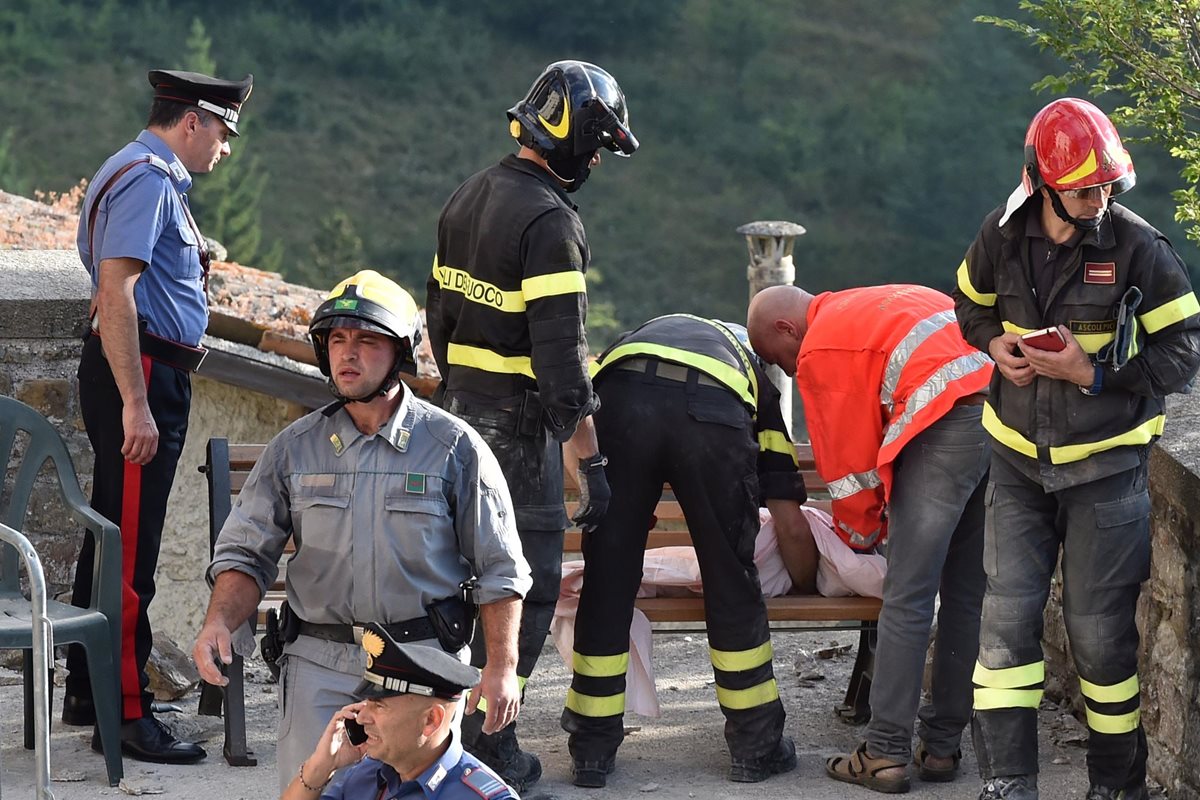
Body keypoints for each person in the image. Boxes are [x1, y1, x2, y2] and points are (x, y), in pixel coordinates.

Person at [193, 270, 532, 792]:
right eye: (337, 340)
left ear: (399, 353)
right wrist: (218, 622)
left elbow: (500, 567)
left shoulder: (453, 447)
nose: (347, 354)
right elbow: (245, 553)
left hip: (422, 666)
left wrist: (502, 667)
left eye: (367, 341)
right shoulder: (293, 449)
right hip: (319, 664)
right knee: (312, 790)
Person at [954, 98, 1200, 800]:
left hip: (1106, 471)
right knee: (1003, 626)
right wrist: (993, 343)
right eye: (1084, 188)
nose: (1098, 200)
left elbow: (1184, 352)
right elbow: (967, 301)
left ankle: (1116, 788)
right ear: (1042, 182)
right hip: (1015, 463)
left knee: (1098, 640)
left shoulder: (1139, 248)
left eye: (1106, 187)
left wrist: (1091, 374)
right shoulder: (1001, 238)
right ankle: (1007, 782)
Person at [424, 59, 638, 790]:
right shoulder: (551, 223)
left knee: (454, 582)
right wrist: (593, 465)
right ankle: (492, 743)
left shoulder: (466, 197)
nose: (600, 159)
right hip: (518, 436)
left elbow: (438, 321)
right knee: (527, 585)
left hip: (456, 420)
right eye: (600, 143)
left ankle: (433, 729)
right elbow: (564, 366)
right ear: (575, 137)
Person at [64, 68, 253, 764]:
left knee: (110, 537)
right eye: (224, 133)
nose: (225, 150)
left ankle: (87, 691)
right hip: (140, 375)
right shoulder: (149, 176)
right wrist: (138, 405)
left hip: (135, 371)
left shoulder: (135, 168)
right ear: (194, 121)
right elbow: (117, 292)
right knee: (132, 556)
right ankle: (127, 716)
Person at [748, 283, 993, 793]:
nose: (793, 371)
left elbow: (850, 462)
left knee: (906, 598)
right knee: (966, 595)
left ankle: (883, 752)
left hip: (940, 426)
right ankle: (943, 747)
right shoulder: (878, 300)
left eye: (783, 359)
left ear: (788, 330)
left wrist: (856, 539)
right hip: (997, 411)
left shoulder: (821, 349)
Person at [559, 314, 814, 787]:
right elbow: (784, 510)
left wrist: (621, 517)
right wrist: (806, 578)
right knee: (728, 577)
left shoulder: (638, 338)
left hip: (618, 399)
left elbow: (581, 435)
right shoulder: (750, 374)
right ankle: (756, 747)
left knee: (608, 580)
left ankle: (591, 751)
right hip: (713, 410)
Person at [282, 622, 516, 800]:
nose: (361, 717)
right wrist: (320, 767)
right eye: (367, 702)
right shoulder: (366, 776)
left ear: (431, 720)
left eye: (379, 706)